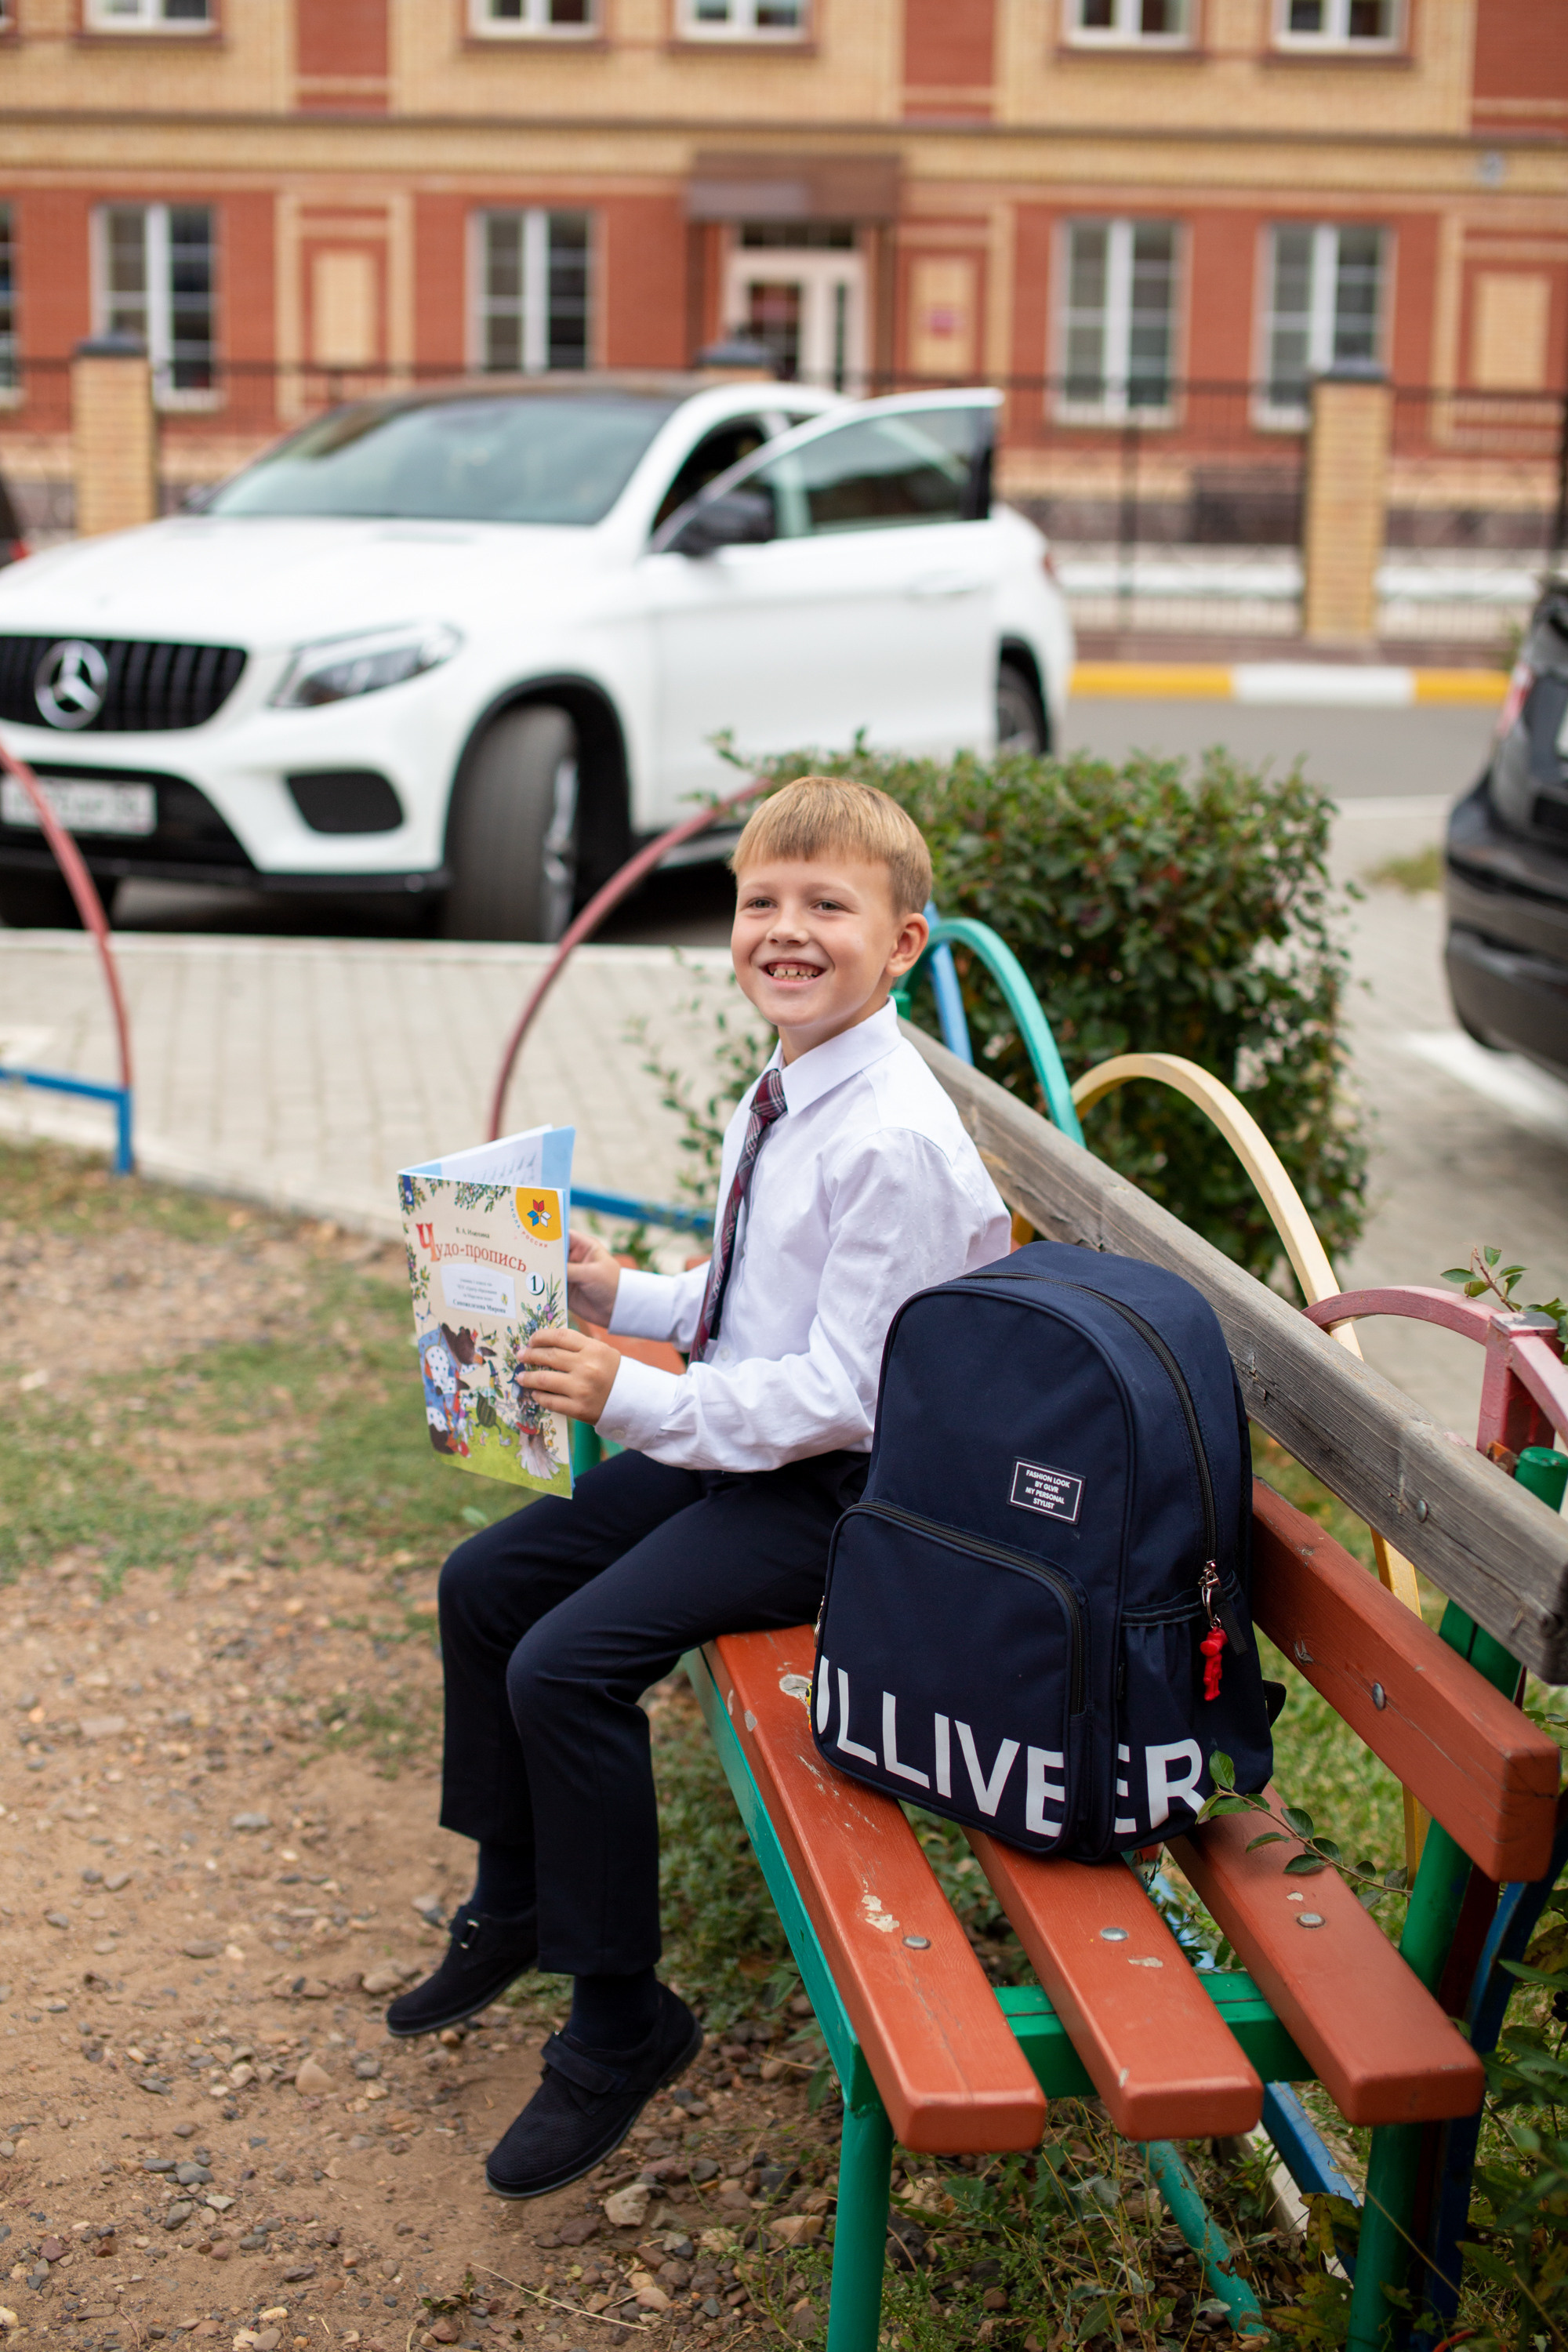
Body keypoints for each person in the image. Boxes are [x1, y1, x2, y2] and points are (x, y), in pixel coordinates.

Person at [387, 773, 1012, 2201]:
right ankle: (514, 1898)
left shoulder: (893, 1139)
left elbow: (847, 1395)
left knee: (566, 1668)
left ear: (903, 944)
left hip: (846, 1497)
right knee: (486, 1587)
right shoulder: (792, 1082)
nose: (785, 931)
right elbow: (748, 1307)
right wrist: (626, 1297)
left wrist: (633, 1393)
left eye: (827, 906)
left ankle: (621, 2024)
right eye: (760, 903)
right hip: (748, 1443)